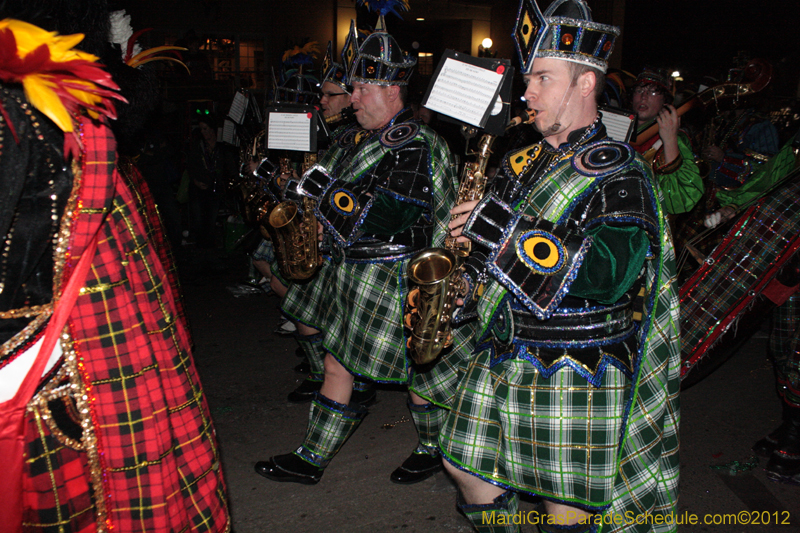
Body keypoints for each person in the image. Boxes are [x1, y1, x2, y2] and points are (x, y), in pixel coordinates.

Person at [438, 0, 681, 530]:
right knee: (463, 465)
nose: (527, 93)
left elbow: (610, 276)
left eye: (543, 78)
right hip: (504, 346)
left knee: (561, 508)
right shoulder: (519, 161)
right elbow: (489, 256)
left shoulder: (621, 169)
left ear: (585, 84)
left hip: (576, 362)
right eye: (529, 79)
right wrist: (467, 285)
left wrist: (496, 233)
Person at [0, 9, 229, 533]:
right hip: (87, 341)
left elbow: (134, 105)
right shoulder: (56, 93)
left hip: (54, 357)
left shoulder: (28, 101)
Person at [254, 10, 460, 486]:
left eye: (362, 89)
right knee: (339, 361)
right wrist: (288, 188)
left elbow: (389, 215)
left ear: (393, 89)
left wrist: (322, 192)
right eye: (352, 88)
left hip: (398, 279)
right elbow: (329, 198)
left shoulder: (415, 144)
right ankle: (311, 459)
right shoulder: (359, 138)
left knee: (420, 378)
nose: (353, 97)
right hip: (354, 273)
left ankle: (432, 446)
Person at [630, 67, 704, 215]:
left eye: (652, 92)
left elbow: (682, 199)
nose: (643, 97)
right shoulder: (616, 127)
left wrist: (670, 139)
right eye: (639, 90)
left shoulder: (674, 138)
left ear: (665, 101)